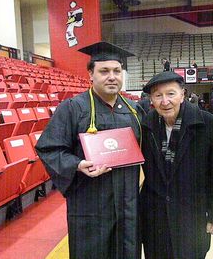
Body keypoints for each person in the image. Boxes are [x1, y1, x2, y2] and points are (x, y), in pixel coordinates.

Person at [35, 41, 143, 259]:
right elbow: (49, 148)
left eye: (117, 71)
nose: (112, 76)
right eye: (104, 71)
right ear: (91, 75)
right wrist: (77, 164)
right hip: (91, 202)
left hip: (128, 203)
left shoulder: (135, 110)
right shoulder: (73, 108)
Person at [140, 71, 213, 259]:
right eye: (158, 95)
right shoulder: (146, 125)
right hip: (156, 219)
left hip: (192, 216)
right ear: (151, 100)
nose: (165, 101)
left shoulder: (207, 124)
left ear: (183, 94)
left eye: (170, 94)